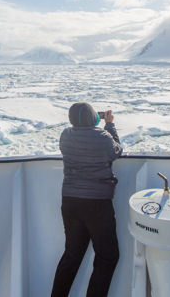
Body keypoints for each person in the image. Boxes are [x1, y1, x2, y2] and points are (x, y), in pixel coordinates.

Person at [51, 102, 124, 297]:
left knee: (72, 255)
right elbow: (116, 151)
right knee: (108, 256)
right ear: (94, 117)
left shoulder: (65, 135)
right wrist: (109, 125)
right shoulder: (103, 137)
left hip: (70, 202)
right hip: (97, 204)